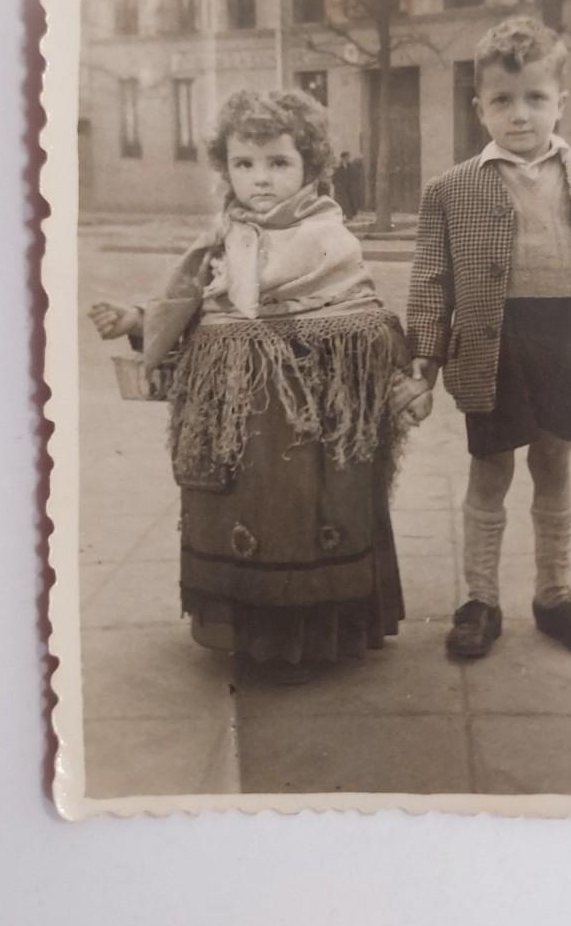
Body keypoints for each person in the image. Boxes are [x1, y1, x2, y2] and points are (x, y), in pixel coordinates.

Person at [90, 89, 431, 683]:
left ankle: (316, 636)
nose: (261, 179)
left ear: (310, 166)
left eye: (278, 162)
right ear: (226, 169)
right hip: (240, 416)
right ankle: (252, 635)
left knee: (312, 516)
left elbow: (368, 320)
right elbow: (187, 306)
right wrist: (140, 320)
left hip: (315, 417)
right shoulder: (221, 241)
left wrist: (399, 381)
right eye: (244, 164)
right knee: (247, 513)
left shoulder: (329, 239)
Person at [406, 17, 571, 661]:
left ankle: (554, 595)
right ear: (479, 108)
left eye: (535, 98)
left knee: (554, 463)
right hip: (495, 343)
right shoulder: (450, 189)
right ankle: (480, 600)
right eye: (502, 100)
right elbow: (432, 281)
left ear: (560, 102)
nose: (519, 114)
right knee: (490, 468)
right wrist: (423, 361)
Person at [332, 150, 358, 219]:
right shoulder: (338, 167)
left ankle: (350, 215)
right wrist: (338, 185)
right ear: (342, 158)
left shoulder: (351, 166)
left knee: (350, 201)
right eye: (346, 157)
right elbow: (335, 177)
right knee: (342, 202)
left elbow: (353, 175)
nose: (347, 159)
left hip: (349, 187)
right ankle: (342, 215)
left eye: (348, 157)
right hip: (341, 188)